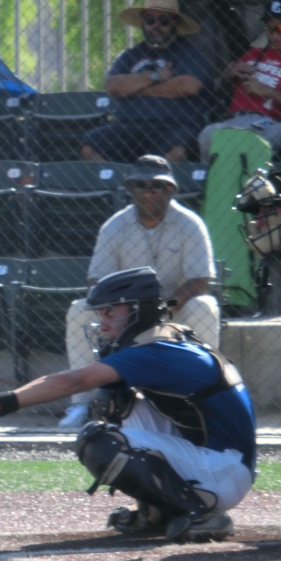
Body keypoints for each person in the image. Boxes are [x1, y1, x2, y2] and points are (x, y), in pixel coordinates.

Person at [0, 267, 256, 542]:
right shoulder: (161, 338)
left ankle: (200, 514)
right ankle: (158, 511)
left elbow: (74, 381)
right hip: (219, 460)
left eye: (111, 312)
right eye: (101, 313)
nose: (103, 321)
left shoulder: (156, 350)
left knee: (100, 441)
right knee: (114, 403)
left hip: (224, 470)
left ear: (139, 309)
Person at [60, 155, 221, 429]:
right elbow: (96, 280)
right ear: (131, 189)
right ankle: (81, 405)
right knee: (78, 309)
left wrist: (166, 307)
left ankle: (210, 399)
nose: (148, 192)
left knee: (205, 305)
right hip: (125, 314)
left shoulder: (190, 224)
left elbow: (200, 279)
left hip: (175, 310)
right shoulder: (115, 226)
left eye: (155, 186)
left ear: (169, 189)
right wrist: (120, 314)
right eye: (140, 186)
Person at [81, 0, 212, 163]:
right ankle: (119, 187)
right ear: (142, 23)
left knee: (178, 151)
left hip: (173, 126)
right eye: (150, 20)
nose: (155, 26)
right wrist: (154, 76)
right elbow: (112, 86)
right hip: (129, 126)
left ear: (175, 24)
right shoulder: (130, 55)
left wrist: (134, 88)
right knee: (90, 146)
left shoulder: (189, 53)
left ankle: (157, 187)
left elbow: (188, 86)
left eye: (163, 21)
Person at [199, 0, 281, 164]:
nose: (273, 36)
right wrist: (228, 73)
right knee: (208, 133)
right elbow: (216, 87)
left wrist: (268, 92)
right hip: (235, 122)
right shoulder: (253, 53)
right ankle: (212, 187)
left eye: (280, 29)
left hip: (270, 126)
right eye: (269, 29)